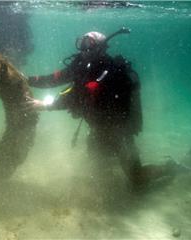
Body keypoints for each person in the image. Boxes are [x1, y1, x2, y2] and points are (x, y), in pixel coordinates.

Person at [27, 28, 176, 191]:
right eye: (82, 43)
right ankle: (110, 160)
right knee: (97, 162)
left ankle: (171, 168)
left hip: (120, 128)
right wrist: (26, 80)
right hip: (99, 126)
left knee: (136, 180)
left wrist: (46, 105)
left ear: (100, 47)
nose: (83, 49)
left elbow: (80, 95)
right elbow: (54, 79)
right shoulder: (80, 63)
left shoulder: (108, 69)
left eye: (88, 44)